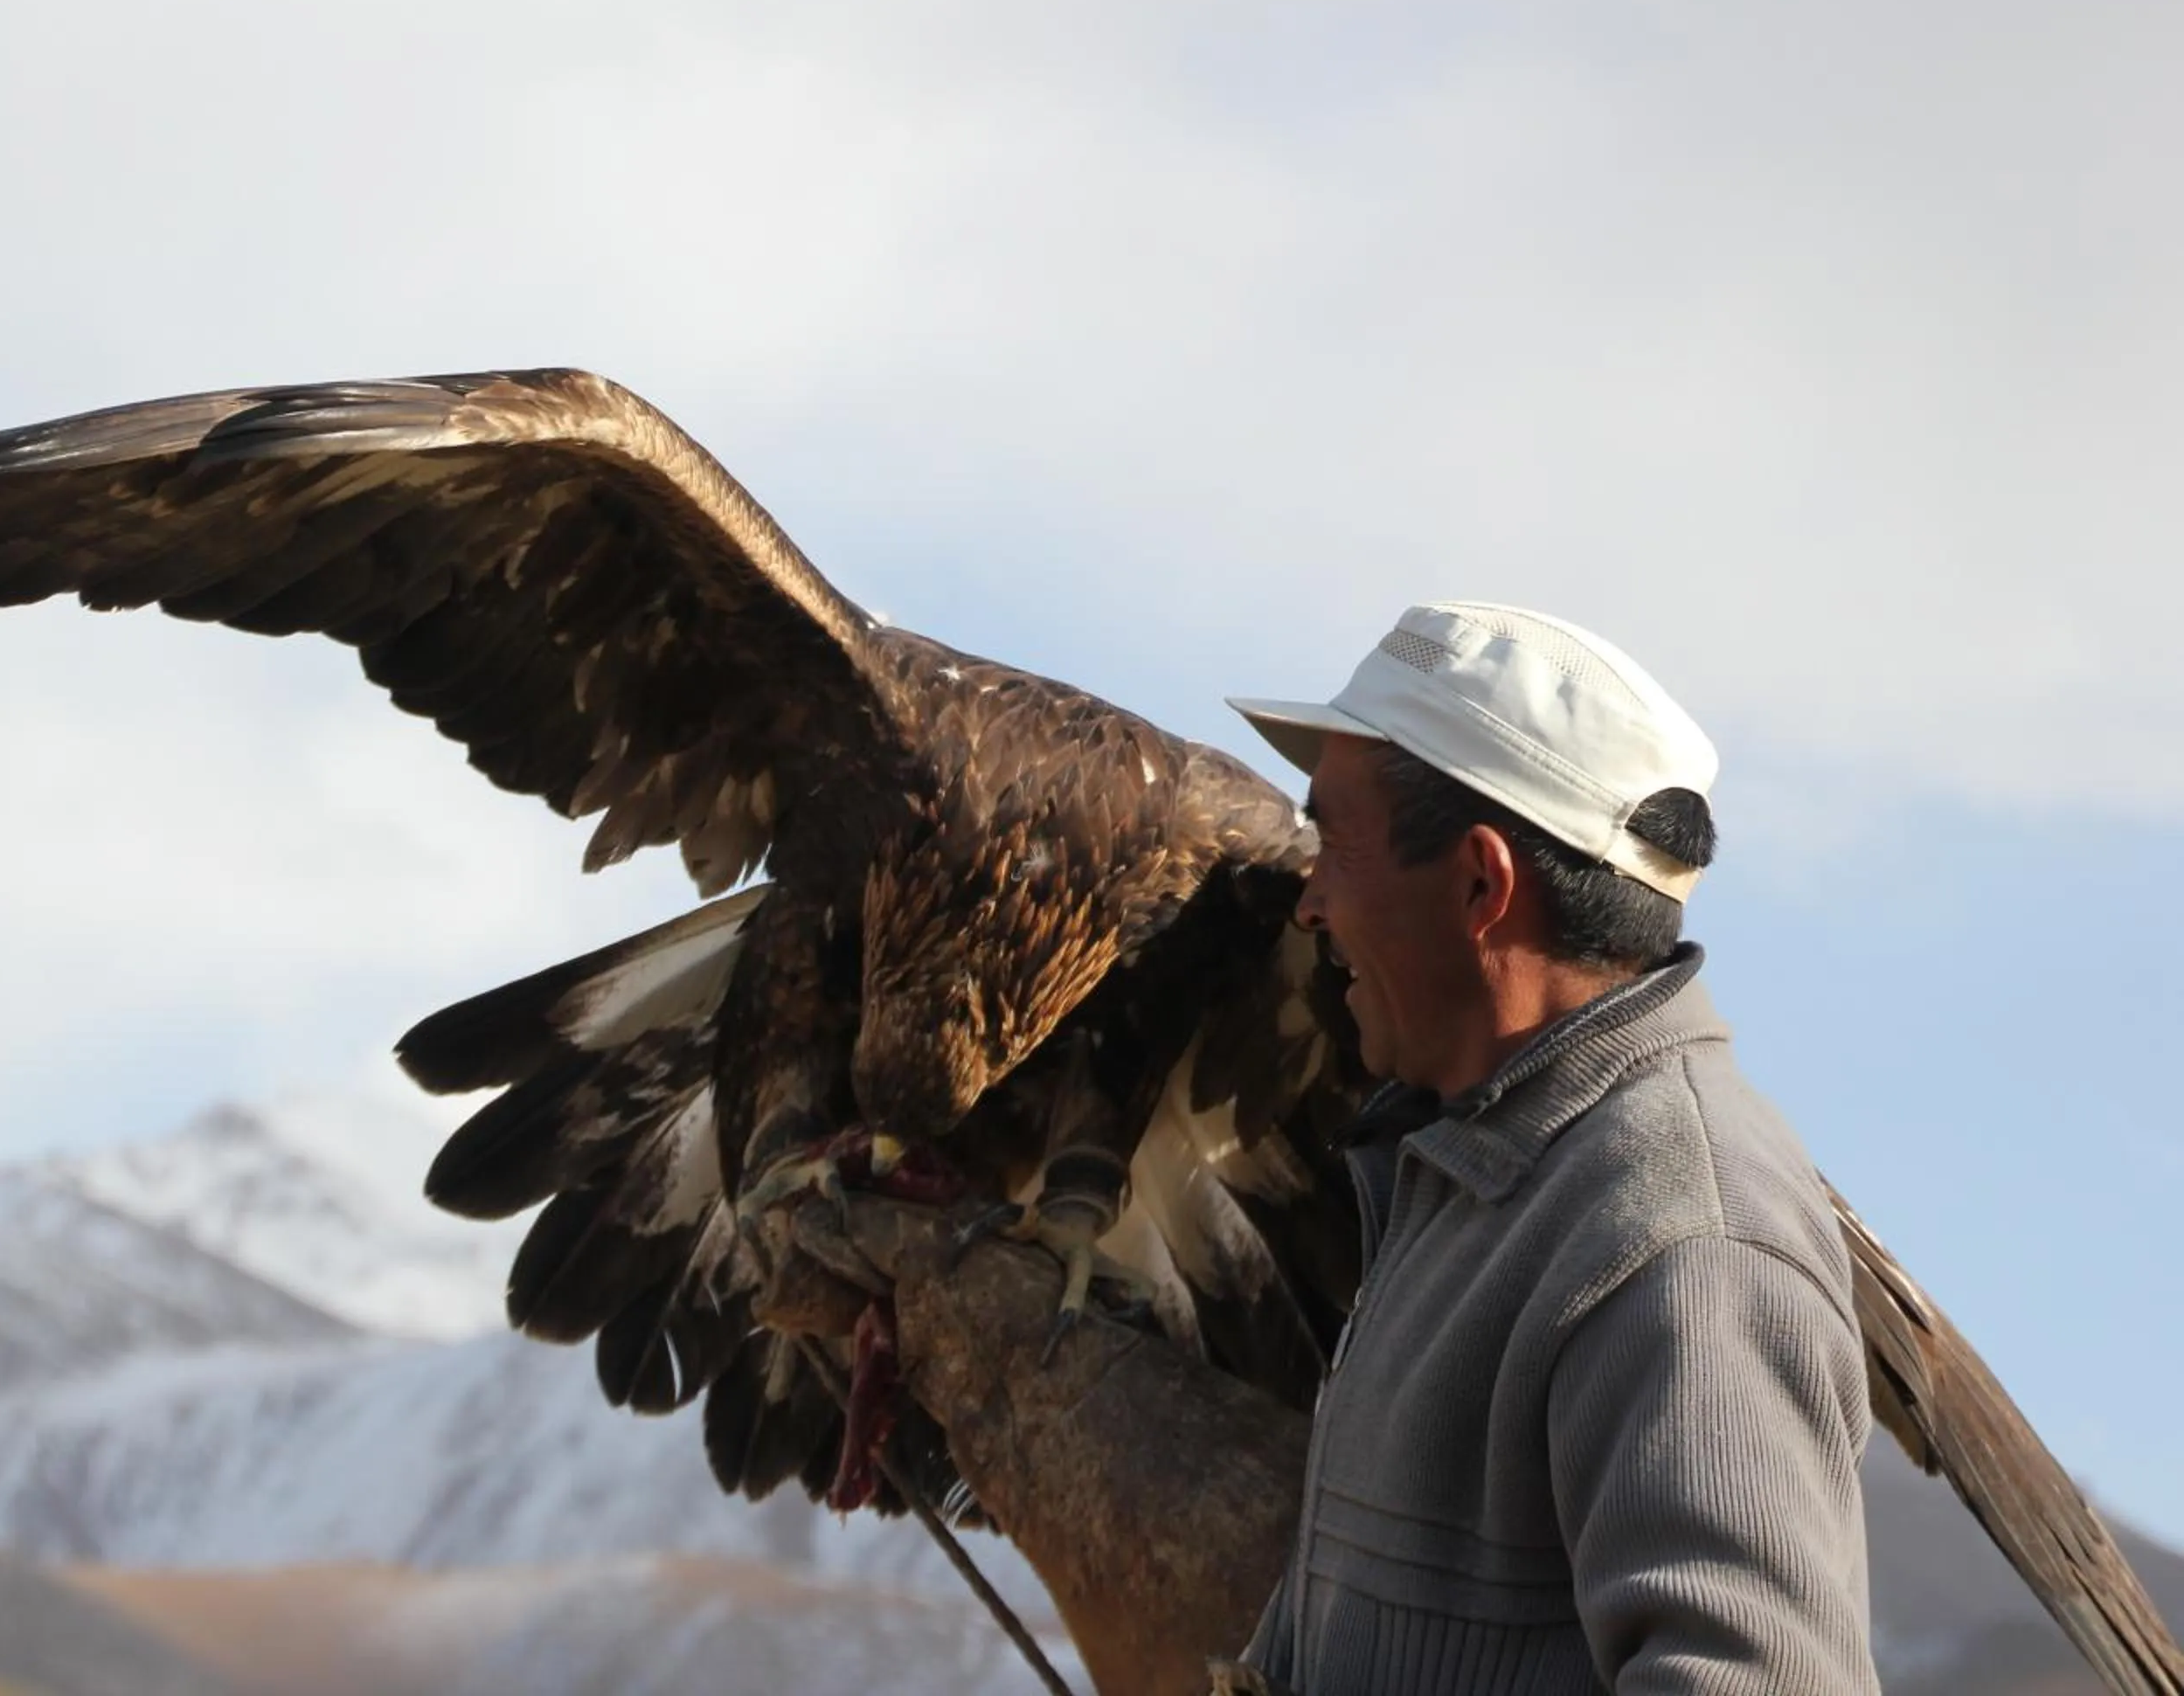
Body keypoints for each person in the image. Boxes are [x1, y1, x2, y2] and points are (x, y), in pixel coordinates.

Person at [777, 602, 1878, 1695]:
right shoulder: (1475, 1177)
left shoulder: (1684, 1238)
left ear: (1481, 885)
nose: (1308, 899)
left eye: (1335, 843)